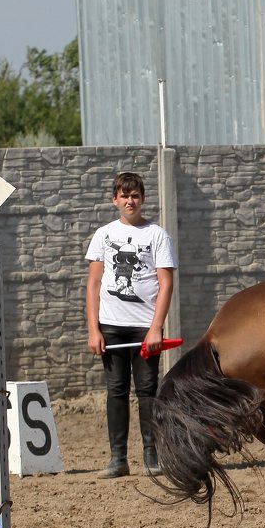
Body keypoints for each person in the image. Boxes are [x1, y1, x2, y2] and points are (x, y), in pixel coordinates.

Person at [85, 172, 177, 478]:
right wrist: (93, 329)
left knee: (148, 390)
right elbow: (94, 283)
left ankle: (152, 456)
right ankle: (118, 459)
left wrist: (156, 328)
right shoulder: (102, 234)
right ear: (115, 200)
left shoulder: (157, 235)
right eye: (124, 196)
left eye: (135, 195)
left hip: (144, 329)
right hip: (110, 326)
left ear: (143, 198)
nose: (130, 201)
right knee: (116, 390)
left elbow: (165, 284)